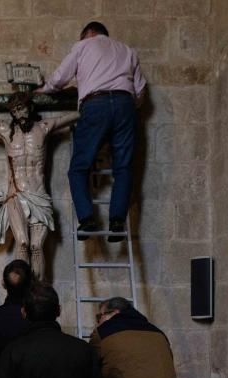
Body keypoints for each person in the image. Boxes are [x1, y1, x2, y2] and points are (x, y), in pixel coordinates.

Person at [35, 21, 146, 239]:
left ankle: (87, 220)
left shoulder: (83, 46)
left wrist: (43, 89)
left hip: (95, 105)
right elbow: (140, 90)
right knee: (123, 167)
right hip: (125, 104)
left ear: (89, 34)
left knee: (79, 167)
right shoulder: (127, 50)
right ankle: (116, 222)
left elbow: (59, 77)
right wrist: (127, 106)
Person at [0, 93, 78, 279]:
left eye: (21, 108)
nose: (19, 114)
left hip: (39, 195)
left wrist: (92, 104)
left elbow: (74, 116)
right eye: (14, 111)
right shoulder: (7, 131)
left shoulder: (44, 128)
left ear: (29, 108)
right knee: (22, 242)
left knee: (36, 246)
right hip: (16, 195)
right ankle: (20, 291)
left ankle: (38, 290)